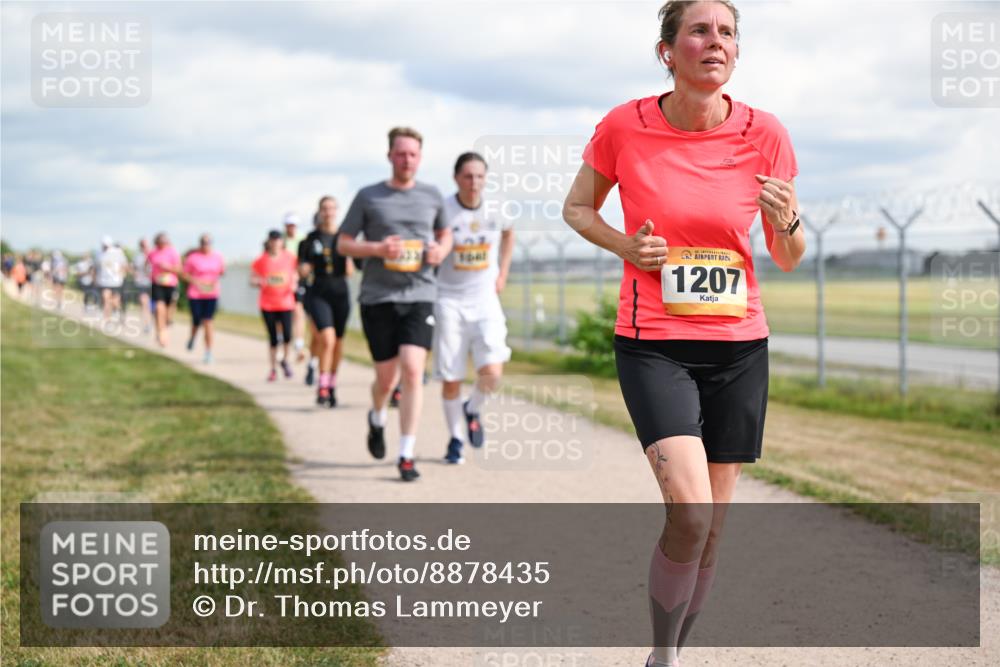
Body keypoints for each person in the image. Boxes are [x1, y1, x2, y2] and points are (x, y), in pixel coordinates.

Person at [561, 2, 805, 665]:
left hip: (739, 348)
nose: (715, 42)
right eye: (699, 30)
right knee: (690, 514)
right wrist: (626, 248)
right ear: (668, 51)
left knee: (715, 529)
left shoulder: (767, 134)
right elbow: (577, 207)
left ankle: (666, 654)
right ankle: (663, 656)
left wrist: (785, 223)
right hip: (655, 343)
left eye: (726, 32)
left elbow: (787, 256)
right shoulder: (625, 125)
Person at [338, 126, 452, 482]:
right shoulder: (369, 197)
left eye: (413, 154)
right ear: (390, 156)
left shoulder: (433, 196)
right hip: (378, 297)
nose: (407, 160)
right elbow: (343, 243)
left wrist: (440, 250)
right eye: (401, 154)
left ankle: (405, 453)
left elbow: (445, 234)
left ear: (420, 157)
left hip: (420, 294)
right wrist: (376, 249)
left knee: (414, 371)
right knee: (386, 380)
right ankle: (376, 416)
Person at [433, 152, 514, 464]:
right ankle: (455, 440)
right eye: (468, 176)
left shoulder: (496, 208)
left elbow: (509, 233)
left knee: (492, 371)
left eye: (479, 176)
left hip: (484, 299)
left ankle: (473, 408)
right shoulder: (443, 209)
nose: (474, 183)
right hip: (449, 299)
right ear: (456, 178)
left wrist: (503, 272)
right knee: (451, 375)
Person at [299, 196, 354, 407]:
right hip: (319, 293)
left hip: (340, 293)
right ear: (319, 211)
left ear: (337, 211)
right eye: (325, 208)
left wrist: (349, 256)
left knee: (338, 342)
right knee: (327, 339)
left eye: (332, 208)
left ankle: (332, 383)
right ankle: (322, 384)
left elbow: (351, 270)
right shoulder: (310, 239)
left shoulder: (344, 237)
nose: (328, 212)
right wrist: (305, 268)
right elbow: (302, 266)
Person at [251, 231, 298, 381]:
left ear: (281, 242)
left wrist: (294, 283)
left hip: (286, 302)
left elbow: (296, 273)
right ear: (269, 242)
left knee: (287, 336)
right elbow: (252, 278)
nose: (276, 243)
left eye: (278, 240)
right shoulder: (261, 260)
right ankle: (272, 369)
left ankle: (284, 360)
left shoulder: (290, 257)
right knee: (273, 338)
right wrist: (257, 282)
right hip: (268, 304)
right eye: (273, 240)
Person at [182, 234, 225, 364]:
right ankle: (192, 337)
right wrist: (196, 281)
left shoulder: (218, 257)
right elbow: (184, 274)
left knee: (208, 321)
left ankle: (208, 352)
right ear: (200, 243)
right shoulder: (192, 258)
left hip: (211, 294)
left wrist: (211, 282)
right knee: (196, 321)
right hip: (195, 294)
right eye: (203, 242)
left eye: (208, 242)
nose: (205, 245)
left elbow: (221, 272)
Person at [282, 212, 309, 362]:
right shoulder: (279, 240)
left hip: (297, 280)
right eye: (288, 225)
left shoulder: (303, 240)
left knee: (298, 310)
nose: (291, 227)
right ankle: (283, 341)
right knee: (284, 315)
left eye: (293, 225)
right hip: (281, 283)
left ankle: (299, 344)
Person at [147, 232, 182, 347]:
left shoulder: (173, 252)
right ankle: (162, 334)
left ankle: (163, 328)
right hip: (157, 284)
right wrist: (148, 273)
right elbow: (146, 265)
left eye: (164, 242)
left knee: (167, 313)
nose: (162, 244)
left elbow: (179, 269)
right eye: (159, 242)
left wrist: (169, 268)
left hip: (171, 284)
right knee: (159, 308)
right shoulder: (152, 253)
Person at [96, 236, 128, 322]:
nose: (105, 247)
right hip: (104, 281)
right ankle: (107, 320)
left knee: (115, 301)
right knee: (106, 298)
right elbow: (97, 267)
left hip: (116, 281)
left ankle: (117, 311)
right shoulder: (99, 254)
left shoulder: (117, 252)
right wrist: (96, 278)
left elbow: (124, 265)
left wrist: (121, 273)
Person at [132, 239, 153, 333]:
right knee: (144, 302)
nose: (145, 247)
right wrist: (135, 274)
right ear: (140, 246)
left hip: (153, 283)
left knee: (152, 305)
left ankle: (153, 321)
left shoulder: (153, 254)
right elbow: (133, 268)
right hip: (141, 283)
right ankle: (147, 324)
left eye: (146, 245)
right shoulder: (137, 257)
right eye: (143, 245)